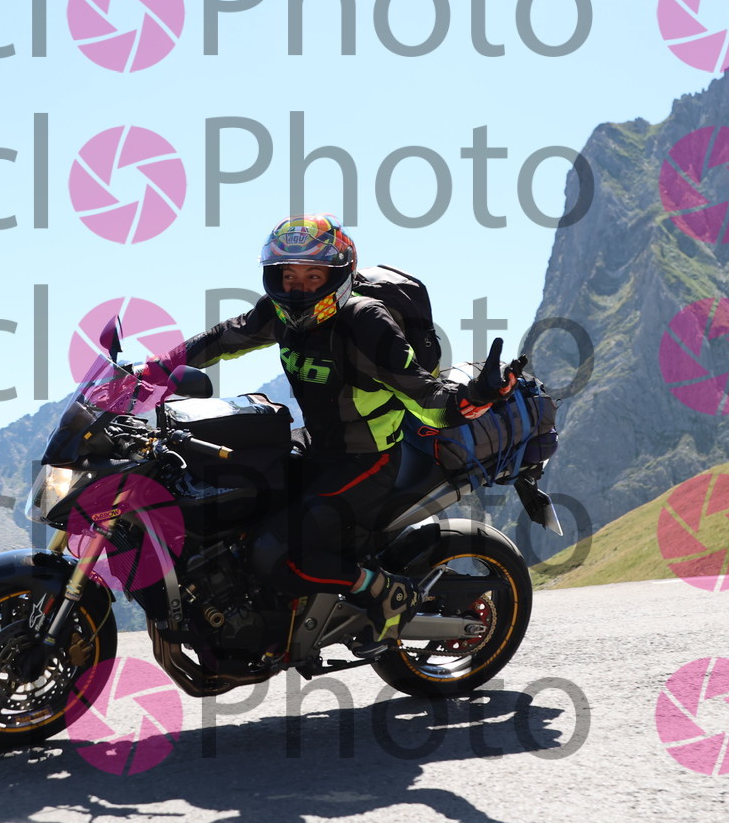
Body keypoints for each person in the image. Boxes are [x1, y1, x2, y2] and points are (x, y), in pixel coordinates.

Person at [163, 214, 514, 658]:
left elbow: (426, 397)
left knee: (277, 556)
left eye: (314, 276)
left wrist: (475, 397)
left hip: (367, 459)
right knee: (233, 499)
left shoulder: (365, 322)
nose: (299, 288)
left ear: (338, 275)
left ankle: (384, 590)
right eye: (289, 276)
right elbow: (222, 338)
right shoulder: (279, 313)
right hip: (315, 445)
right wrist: (155, 369)